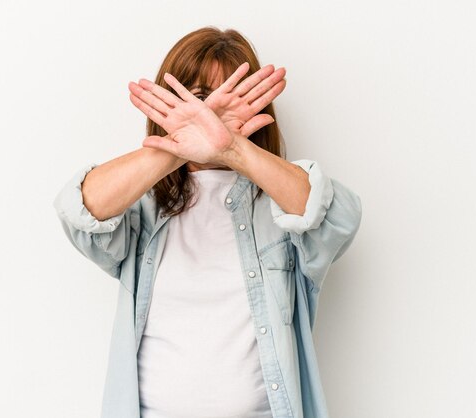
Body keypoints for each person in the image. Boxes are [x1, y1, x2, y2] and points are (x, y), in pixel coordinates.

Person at [53, 26, 363, 418]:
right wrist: (180, 144)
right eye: (199, 98)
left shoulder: (278, 204)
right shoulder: (146, 208)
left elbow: (340, 218)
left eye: (226, 98)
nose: (210, 113)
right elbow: (81, 209)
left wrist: (231, 147)